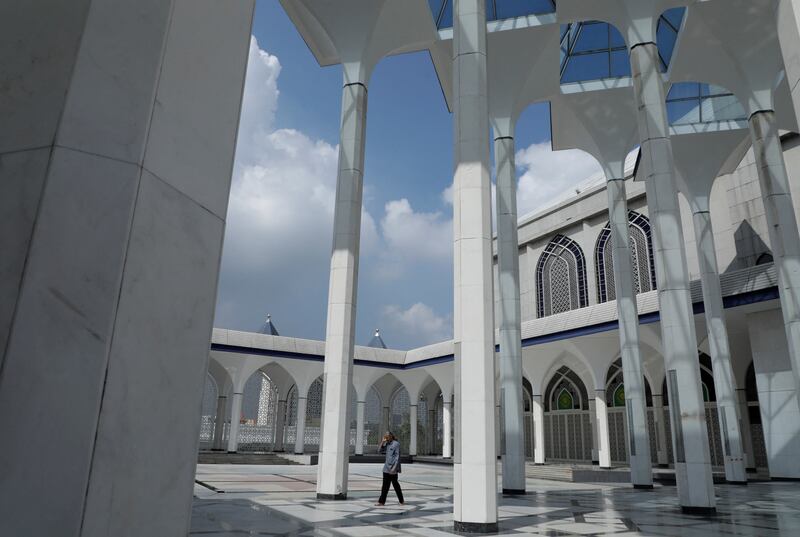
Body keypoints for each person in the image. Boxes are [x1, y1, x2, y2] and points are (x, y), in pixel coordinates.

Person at [375, 432, 404, 506]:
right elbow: (379, 451)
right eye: (385, 436)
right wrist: (382, 442)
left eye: (387, 436)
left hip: (392, 469)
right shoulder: (387, 444)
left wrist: (394, 468)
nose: (386, 437)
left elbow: (397, 457)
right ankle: (381, 502)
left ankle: (401, 500)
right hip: (386, 468)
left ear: (391, 436)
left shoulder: (396, 444)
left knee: (395, 485)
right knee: (385, 486)